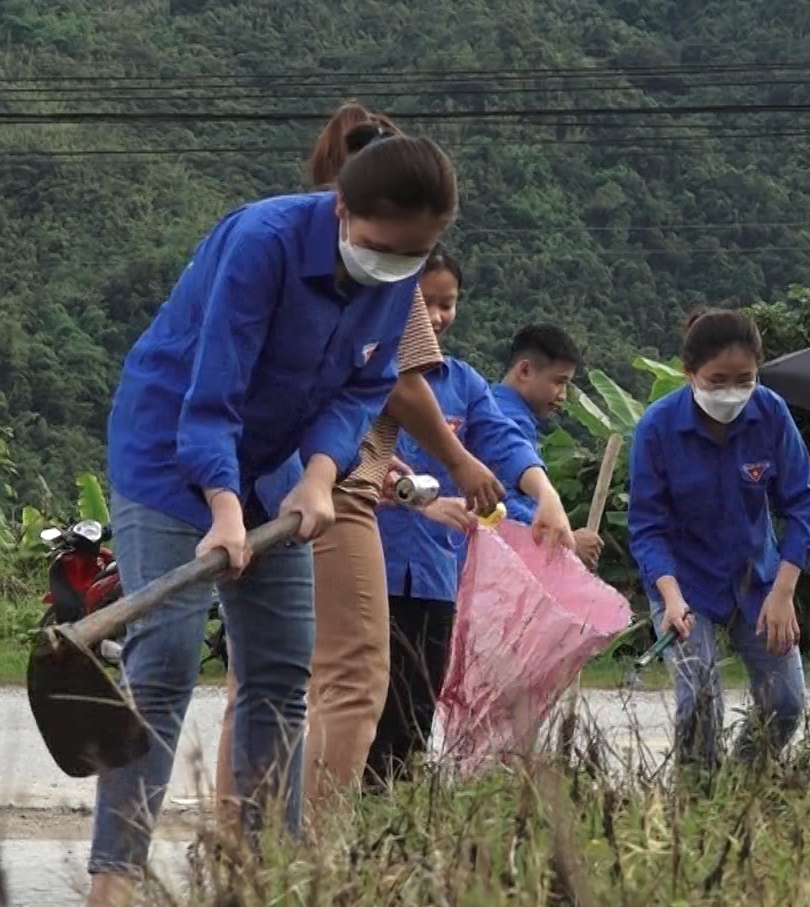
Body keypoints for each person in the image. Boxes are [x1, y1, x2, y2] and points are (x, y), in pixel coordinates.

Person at [85, 129, 459, 907]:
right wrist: (222, 506)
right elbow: (211, 390)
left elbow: (362, 387)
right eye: (383, 246)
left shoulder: (397, 274)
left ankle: (263, 877)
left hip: (274, 457)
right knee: (163, 666)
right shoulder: (263, 243)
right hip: (168, 445)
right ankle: (114, 879)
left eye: (414, 254)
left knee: (283, 671)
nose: (395, 266)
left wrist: (321, 474)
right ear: (342, 209)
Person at [211, 104, 569, 830]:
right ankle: (304, 846)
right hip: (328, 486)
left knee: (262, 676)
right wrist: (462, 464)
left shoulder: (301, 247)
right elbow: (402, 387)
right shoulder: (382, 267)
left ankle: (239, 837)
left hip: (275, 472)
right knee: (353, 677)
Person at [364, 245, 576, 787]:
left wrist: (544, 493)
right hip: (369, 561)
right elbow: (356, 451)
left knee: (419, 695)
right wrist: (423, 501)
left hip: (437, 573)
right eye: (425, 303)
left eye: (447, 304)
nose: (437, 317)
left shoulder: (463, 383)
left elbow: (502, 442)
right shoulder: (366, 372)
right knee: (366, 693)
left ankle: (394, 807)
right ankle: (350, 799)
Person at [627, 307, 810, 773]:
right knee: (699, 699)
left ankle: (744, 777)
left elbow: (800, 504)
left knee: (787, 702)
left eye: (744, 378)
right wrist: (670, 599)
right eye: (717, 380)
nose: (731, 392)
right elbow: (647, 526)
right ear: (688, 372)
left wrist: (783, 592)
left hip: (759, 582)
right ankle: (698, 796)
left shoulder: (771, 414)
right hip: (684, 583)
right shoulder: (657, 428)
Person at [491, 324, 604, 567]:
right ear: (525, 370)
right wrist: (565, 539)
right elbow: (496, 503)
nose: (562, 395)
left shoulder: (497, 409)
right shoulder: (505, 421)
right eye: (558, 382)